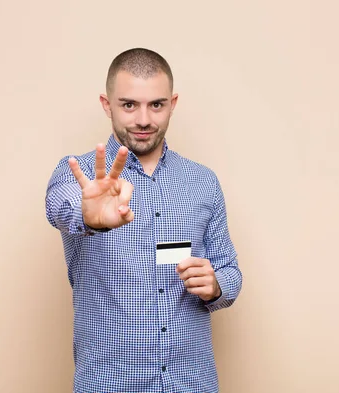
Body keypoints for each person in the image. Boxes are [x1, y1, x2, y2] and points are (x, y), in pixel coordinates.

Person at [45, 47, 242, 393]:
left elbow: (230, 272)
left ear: (172, 103)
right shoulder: (79, 174)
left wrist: (216, 285)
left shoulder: (203, 181)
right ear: (107, 105)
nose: (143, 120)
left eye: (156, 104)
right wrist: (89, 215)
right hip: (109, 383)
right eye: (129, 105)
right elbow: (59, 207)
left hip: (191, 382)